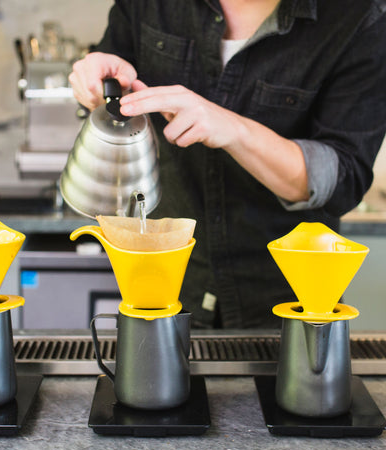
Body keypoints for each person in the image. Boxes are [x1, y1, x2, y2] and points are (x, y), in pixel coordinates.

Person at [69, 0, 386, 329]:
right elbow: (112, 75)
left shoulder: (360, 16)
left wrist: (234, 130)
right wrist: (95, 75)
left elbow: (342, 180)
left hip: (290, 302)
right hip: (166, 288)